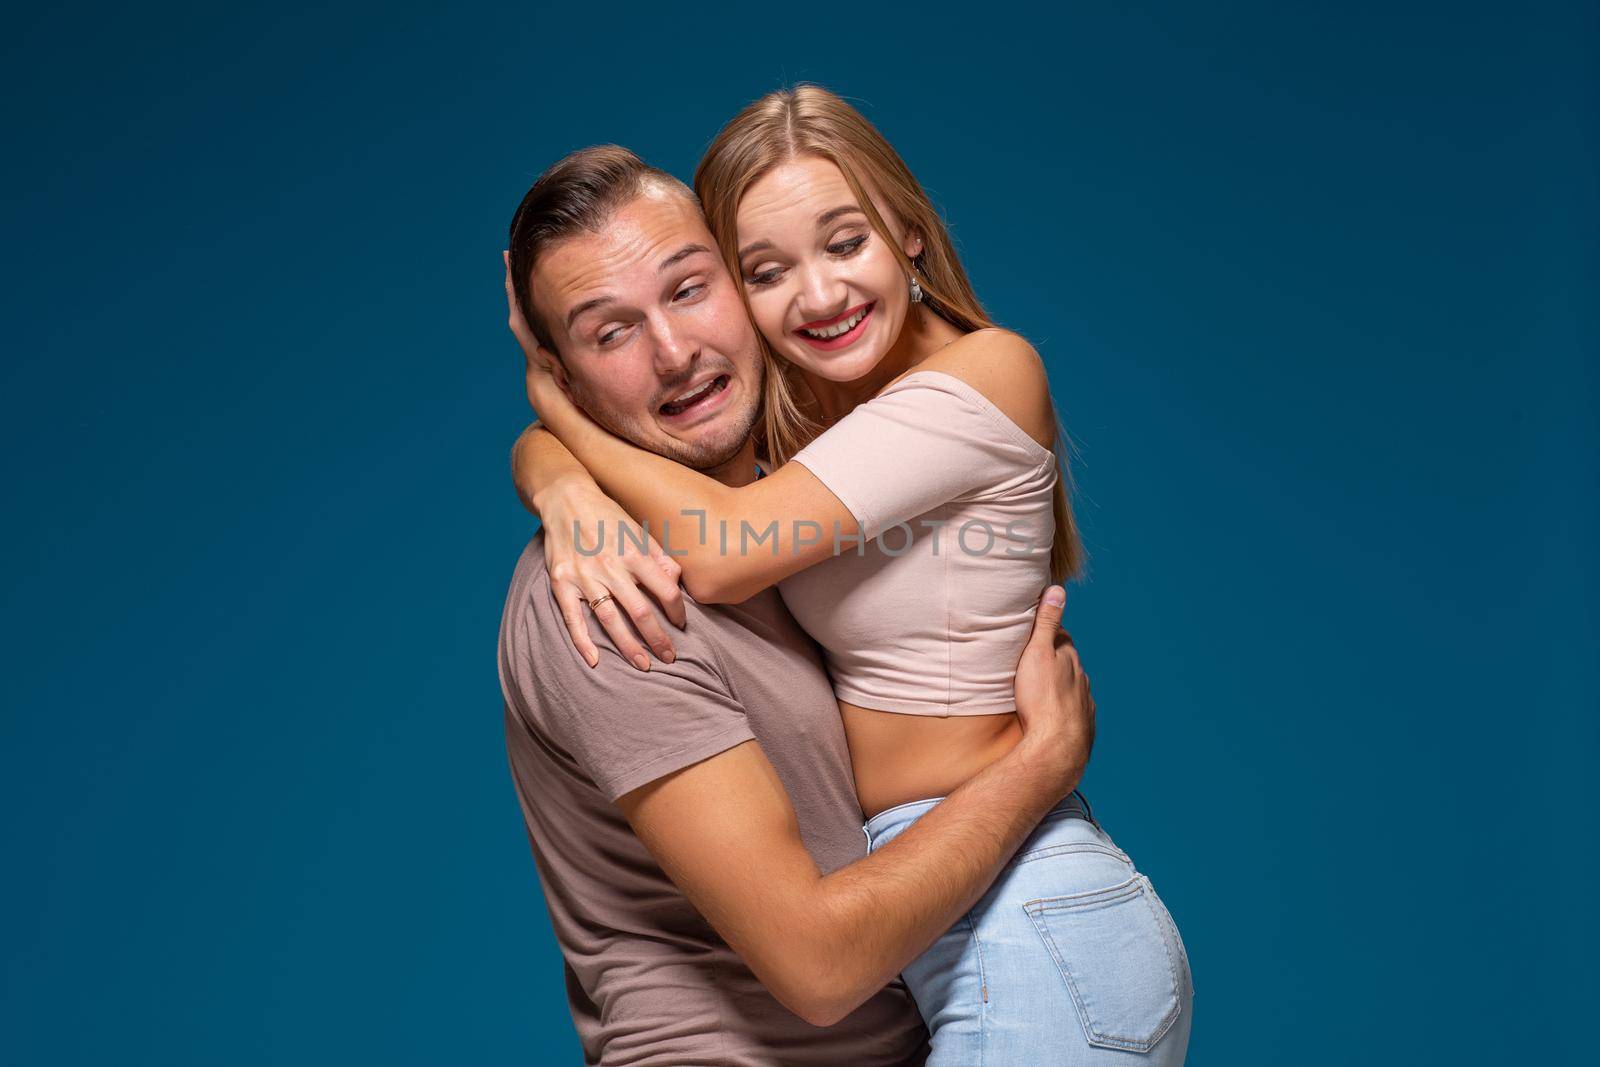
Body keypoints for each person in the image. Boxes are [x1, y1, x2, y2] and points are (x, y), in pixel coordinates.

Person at [510, 86, 1193, 1065]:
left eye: (845, 241)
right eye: (767, 269)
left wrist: (555, 417)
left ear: (908, 234)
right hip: (961, 915)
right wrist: (553, 477)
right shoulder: (817, 441)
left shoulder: (983, 372)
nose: (821, 294)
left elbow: (723, 546)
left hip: (1026, 910)